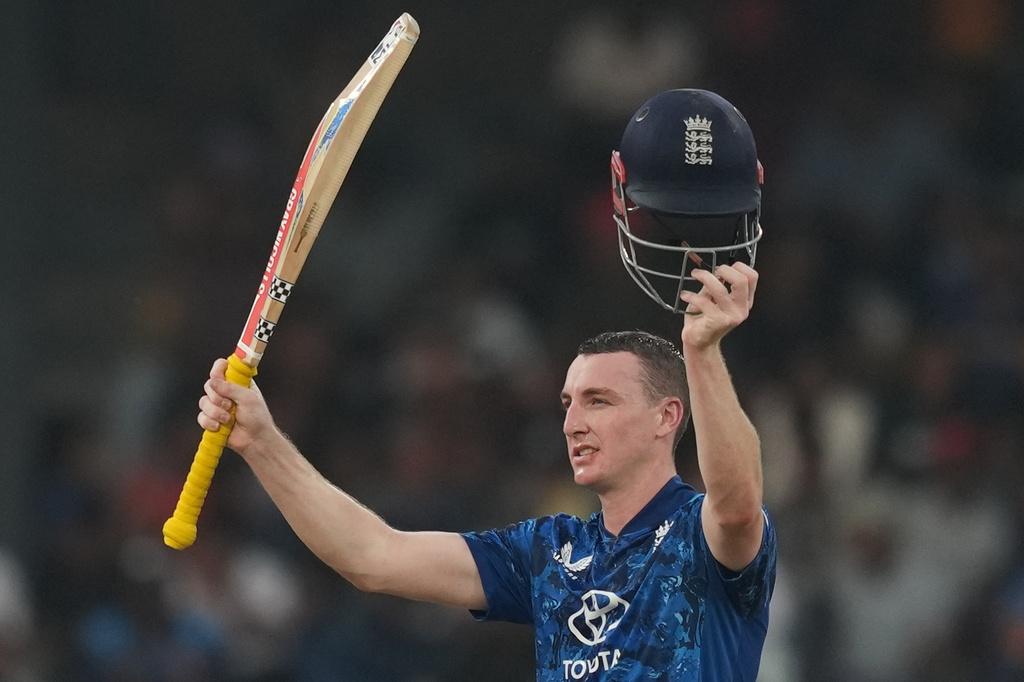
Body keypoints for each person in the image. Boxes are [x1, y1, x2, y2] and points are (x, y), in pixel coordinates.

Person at [196, 89, 776, 681]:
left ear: (666, 418)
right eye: (569, 403)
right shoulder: (547, 553)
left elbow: (736, 508)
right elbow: (372, 556)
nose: (574, 421)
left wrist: (700, 350)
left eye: (600, 401)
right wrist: (262, 442)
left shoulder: (702, 535)